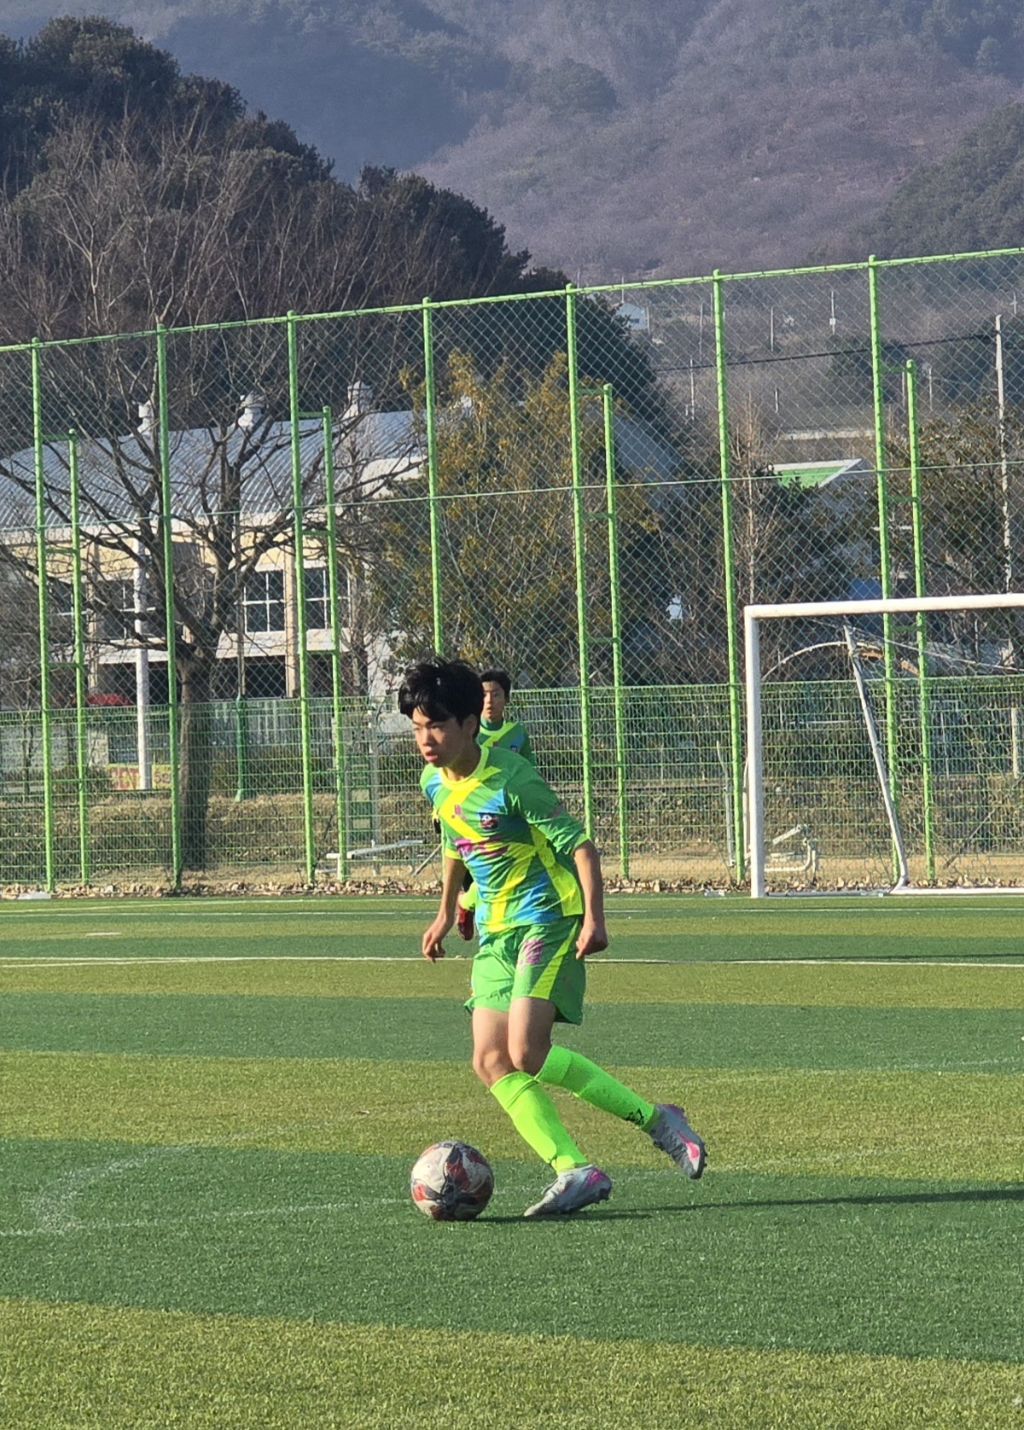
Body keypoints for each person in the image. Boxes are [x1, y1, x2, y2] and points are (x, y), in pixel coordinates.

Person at [398, 655, 707, 1219]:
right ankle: (574, 1169)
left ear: (470, 723)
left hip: (547, 917)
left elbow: (580, 846)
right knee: (490, 1060)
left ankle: (658, 1120)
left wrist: (595, 919)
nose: (425, 740)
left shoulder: (513, 777)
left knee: (526, 1051)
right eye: (417, 728)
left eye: (436, 726)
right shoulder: (432, 783)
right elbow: (455, 844)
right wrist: (448, 910)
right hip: (496, 931)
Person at [456, 666, 534, 941]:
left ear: (506, 699)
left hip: (509, 813)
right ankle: (473, 909)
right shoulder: (469, 732)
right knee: (489, 871)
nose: (490, 700)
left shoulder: (517, 734)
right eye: (484, 695)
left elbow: (530, 772)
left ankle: (469, 904)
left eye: (496, 694)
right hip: (472, 813)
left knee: (509, 870)